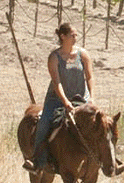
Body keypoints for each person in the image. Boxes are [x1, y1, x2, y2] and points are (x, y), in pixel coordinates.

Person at [31, 22, 98, 171]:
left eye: (76, 35)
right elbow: (57, 82)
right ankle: (38, 159)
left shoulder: (83, 54)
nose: (76, 37)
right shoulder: (54, 57)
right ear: (63, 36)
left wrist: (91, 98)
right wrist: (65, 102)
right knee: (44, 123)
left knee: (100, 123)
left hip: (81, 99)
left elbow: (90, 77)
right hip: (57, 100)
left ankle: (104, 159)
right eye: (72, 35)